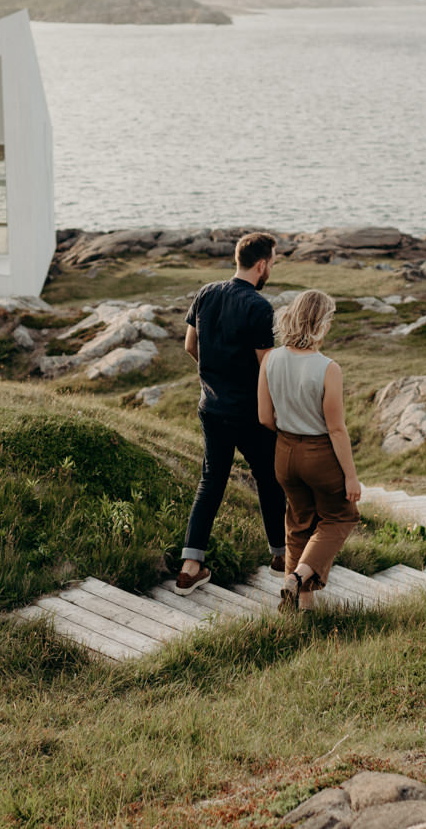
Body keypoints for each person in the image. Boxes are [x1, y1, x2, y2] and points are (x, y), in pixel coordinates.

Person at [174, 232, 288, 594]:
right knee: (269, 479)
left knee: (212, 481)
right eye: (273, 262)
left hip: (212, 407)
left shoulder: (206, 293)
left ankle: (191, 566)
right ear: (261, 264)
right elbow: (266, 366)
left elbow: (191, 345)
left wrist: (214, 376)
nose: (272, 268)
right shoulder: (259, 306)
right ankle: (282, 556)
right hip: (249, 412)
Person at [257, 289, 361, 611]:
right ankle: (298, 577)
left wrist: (290, 434)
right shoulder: (328, 367)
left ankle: (301, 607)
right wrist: (351, 478)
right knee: (340, 516)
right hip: (319, 454)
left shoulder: (271, 358)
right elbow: (336, 429)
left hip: (284, 453)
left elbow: (264, 417)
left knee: (299, 522)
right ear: (321, 323)